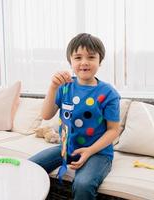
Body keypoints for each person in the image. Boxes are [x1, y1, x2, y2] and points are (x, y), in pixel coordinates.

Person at [29, 33, 121, 200]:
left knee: (83, 184)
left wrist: (90, 151)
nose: (84, 62)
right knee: (28, 167)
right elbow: (46, 114)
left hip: (98, 153)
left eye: (91, 57)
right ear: (71, 61)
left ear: (100, 61)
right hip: (66, 148)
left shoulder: (109, 93)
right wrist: (53, 87)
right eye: (78, 57)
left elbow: (114, 130)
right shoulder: (65, 87)